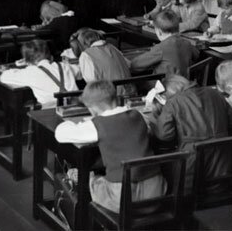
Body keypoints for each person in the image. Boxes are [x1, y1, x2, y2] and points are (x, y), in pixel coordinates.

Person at [55, 80, 166, 213]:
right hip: (156, 193)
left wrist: (81, 123)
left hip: (123, 200)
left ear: (93, 108)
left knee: (84, 177)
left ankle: (82, 220)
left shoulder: (98, 124)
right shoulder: (138, 115)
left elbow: (60, 134)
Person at [149, 74, 232, 192]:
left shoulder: (174, 102)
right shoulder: (215, 93)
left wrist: (155, 118)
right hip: (223, 159)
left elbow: (165, 135)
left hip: (192, 163)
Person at [0, 39, 78, 107]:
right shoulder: (64, 66)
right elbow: (79, 73)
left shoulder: (31, 72)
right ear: (50, 56)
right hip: (77, 108)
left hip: (51, 113)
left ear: (28, 61)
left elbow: (4, 76)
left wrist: (19, 66)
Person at [130, 9, 200, 78]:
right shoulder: (187, 43)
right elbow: (196, 54)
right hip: (183, 84)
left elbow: (135, 65)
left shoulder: (160, 48)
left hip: (165, 85)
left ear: (159, 32)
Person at [78, 29, 135, 95]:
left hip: (109, 97)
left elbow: (91, 82)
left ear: (84, 43)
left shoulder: (85, 55)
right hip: (131, 93)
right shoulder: (113, 47)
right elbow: (128, 64)